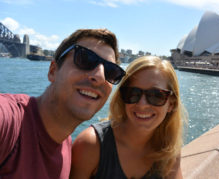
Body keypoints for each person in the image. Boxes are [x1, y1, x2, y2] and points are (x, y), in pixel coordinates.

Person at [0, 28, 125, 179]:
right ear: (53, 71)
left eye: (111, 72)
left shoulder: (67, 149)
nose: (99, 76)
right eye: (85, 59)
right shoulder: (10, 122)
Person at [71, 56, 186, 179]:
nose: (142, 105)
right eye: (133, 93)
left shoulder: (168, 149)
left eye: (156, 95)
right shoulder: (91, 145)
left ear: (171, 104)